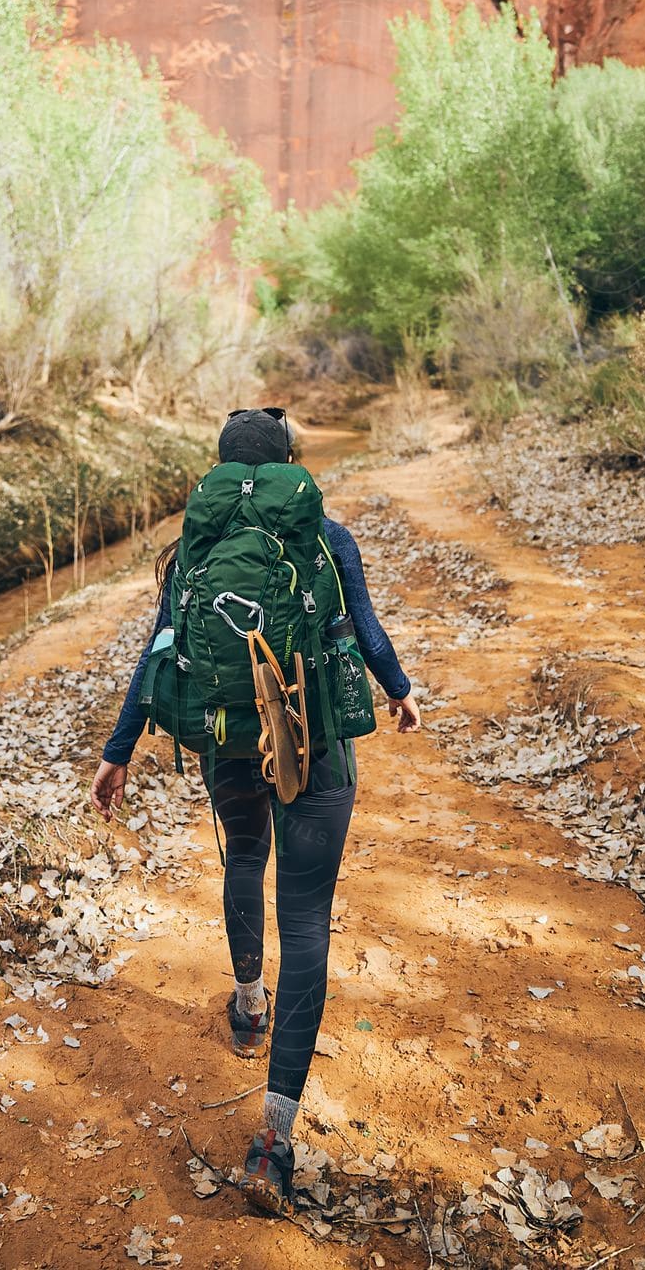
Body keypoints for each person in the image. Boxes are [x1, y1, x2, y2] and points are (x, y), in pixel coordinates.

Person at [90, 407, 420, 1213]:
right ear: (289, 469)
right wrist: (402, 693)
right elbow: (367, 636)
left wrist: (119, 750)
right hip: (317, 745)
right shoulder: (326, 538)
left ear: (222, 472)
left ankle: (246, 1005)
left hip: (229, 738)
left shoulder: (192, 551)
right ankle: (274, 1141)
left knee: (244, 858)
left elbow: (157, 653)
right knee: (304, 919)